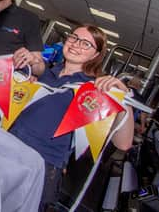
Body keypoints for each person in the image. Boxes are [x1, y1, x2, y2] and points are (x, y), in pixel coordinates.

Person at [9, 24, 134, 211]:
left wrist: (124, 100)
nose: (76, 44)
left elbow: (123, 143)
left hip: (41, 165)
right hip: (8, 148)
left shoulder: (94, 89)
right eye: (74, 37)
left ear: (95, 55)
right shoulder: (48, 73)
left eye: (86, 44)